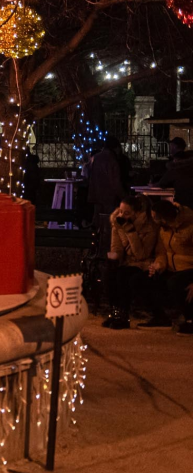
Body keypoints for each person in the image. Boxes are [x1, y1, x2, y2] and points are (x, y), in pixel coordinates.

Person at [102, 195, 161, 329]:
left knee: (124, 276)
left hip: (144, 264)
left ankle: (123, 316)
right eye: (121, 211)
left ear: (138, 213)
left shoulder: (149, 227)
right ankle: (115, 313)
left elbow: (141, 254)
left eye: (127, 213)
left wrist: (130, 231)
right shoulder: (118, 223)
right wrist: (115, 257)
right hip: (127, 262)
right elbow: (116, 246)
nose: (122, 215)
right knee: (110, 274)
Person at [149, 198, 193, 334]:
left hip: (189, 267)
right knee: (148, 279)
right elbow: (162, 251)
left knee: (176, 282)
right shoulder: (165, 229)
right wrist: (159, 264)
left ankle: (189, 318)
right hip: (173, 267)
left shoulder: (190, 226)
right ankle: (163, 316)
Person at [86, 137, 123, 221]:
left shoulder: (95, 158)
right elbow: (115, 182)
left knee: (97, 219)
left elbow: (89, 175)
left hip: (96, 195)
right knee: (109, 220)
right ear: (116, 148)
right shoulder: (112, 159)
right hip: (109, 197)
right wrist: (123, 196)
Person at [156, 136, 193, 207]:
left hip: (182, 201)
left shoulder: (176, 167)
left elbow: (163, 182)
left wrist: (156, 184)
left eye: (171, 145)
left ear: (175, 146)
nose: (169, 148)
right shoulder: (188, 160)